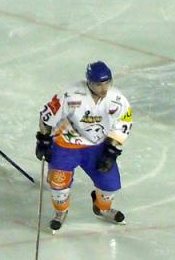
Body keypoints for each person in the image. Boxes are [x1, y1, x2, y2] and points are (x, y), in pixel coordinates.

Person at [35, 61, 133, 231]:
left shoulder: (117, 100)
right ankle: (60, 211)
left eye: (106, 83)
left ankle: (102, 207)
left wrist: (111, 151)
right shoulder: (71, 96)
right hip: (66, 144)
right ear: (88, 82)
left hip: (96, 146)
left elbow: (123, 122)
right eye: (97, 84)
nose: (103, 88)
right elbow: (47, 115)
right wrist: (43, 140)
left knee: (109, 184)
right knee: (59, 184)